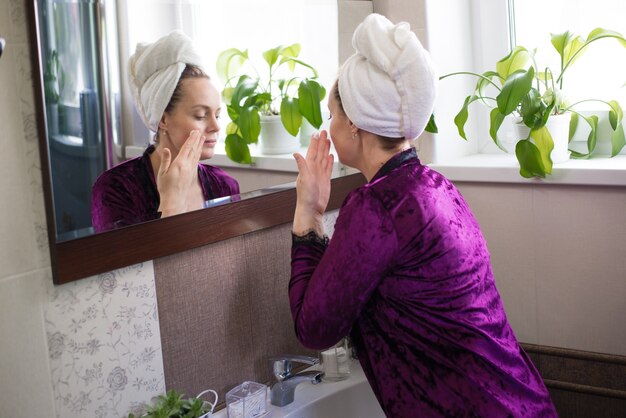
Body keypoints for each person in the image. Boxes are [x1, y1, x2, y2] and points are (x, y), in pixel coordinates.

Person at [289, 14, 557, 417]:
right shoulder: (436, 187)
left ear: (355, 124)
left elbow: (315, 329)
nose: (329, 126)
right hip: (521, 400)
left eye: (332, 114)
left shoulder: (376, 205)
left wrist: (308, 214)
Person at [91, 31, 239, 232]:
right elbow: (128, 263)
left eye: (217, 115)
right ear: (163, 118)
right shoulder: (116, 189)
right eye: (201, 115)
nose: (216, 126)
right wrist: (171, 203)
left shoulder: (225, 186)